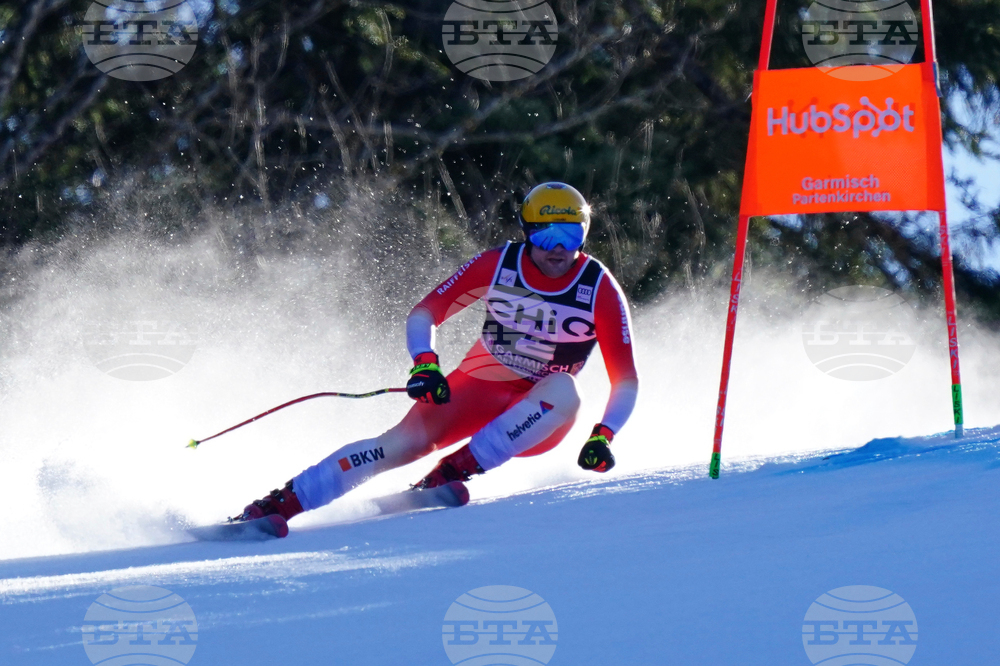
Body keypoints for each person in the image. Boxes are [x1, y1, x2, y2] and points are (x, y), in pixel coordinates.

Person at [236, 182, 639, 522]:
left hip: (537, 418)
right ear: (525, 231)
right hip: (479, 387)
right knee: (396, 445)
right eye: (546, 236)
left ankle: (450, 473)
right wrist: (425, 364)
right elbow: (426, 312)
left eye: (570, 236)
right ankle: (275, 506)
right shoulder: (498, 265)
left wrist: (604, 436)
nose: (557, 249)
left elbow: (626, 379)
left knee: (565, 388)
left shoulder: (598, 288)